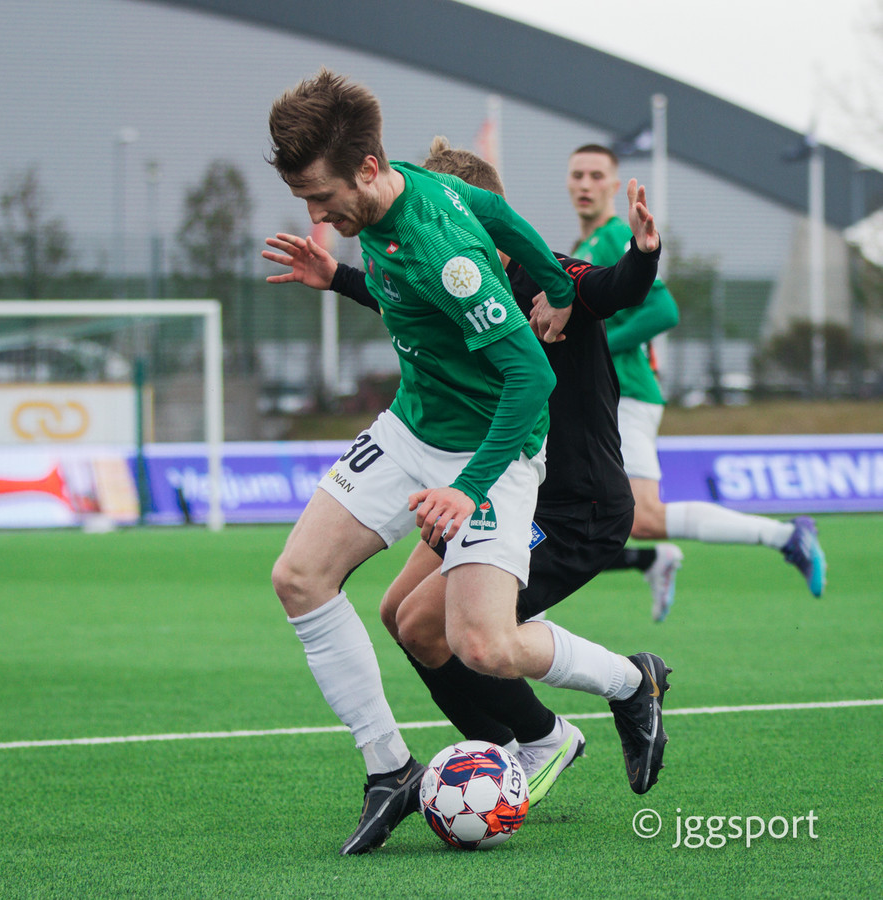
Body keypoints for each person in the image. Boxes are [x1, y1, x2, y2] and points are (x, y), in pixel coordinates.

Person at [265, 70, 668, 855]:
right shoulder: (413, 191)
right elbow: (495, 216)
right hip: (412, 427)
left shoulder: (448, 255)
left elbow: (533, 378)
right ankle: (390, 769)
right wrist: (337, 274)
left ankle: (628, 684)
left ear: (368, 169)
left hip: (494, 453)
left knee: (481, 644)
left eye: (321, 197)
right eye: (304, 199)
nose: (316, 216)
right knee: (300, 577)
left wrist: (467, 487)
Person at [567, 143, 827, 619]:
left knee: (642, 516)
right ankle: (650, 560)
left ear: (614, 184)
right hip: (607, 397)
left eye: (596, 175)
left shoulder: (611, 236)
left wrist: (599, 345)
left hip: (627, 396)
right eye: (577, 175)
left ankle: (786, 535)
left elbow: (664, 310)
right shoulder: (585, 245)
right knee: (568, 507)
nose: (585, 184)